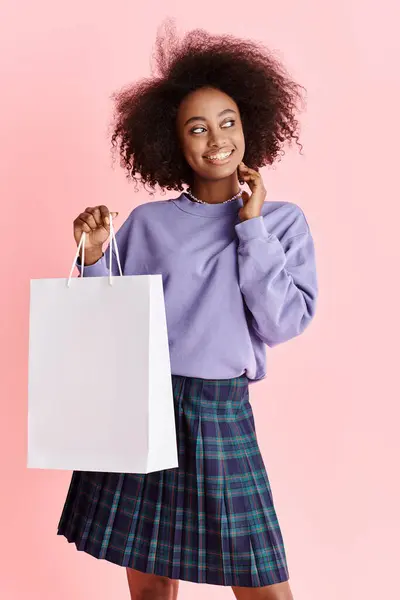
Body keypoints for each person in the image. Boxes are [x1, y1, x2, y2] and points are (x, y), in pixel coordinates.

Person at [57, 20, 318, 600]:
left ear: (250, 124)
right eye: (196, 128)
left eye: (228, 122)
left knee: (263, 584)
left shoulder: (282, 223)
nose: (216, 137)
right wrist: (95, 256)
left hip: (221, 411)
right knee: (151, 586)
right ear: (173, 142)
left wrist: (251, 230)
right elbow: (108, 319)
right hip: (145, 404)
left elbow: (282, 322)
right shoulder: (149, 223)